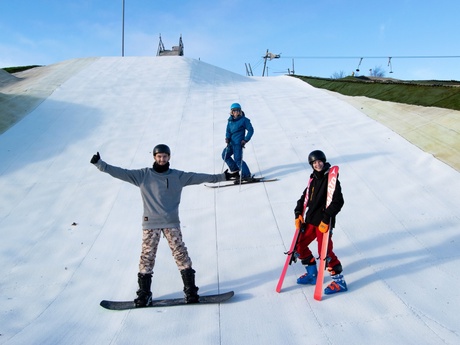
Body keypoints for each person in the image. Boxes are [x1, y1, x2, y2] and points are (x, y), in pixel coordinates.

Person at [90, 144, 238, 307]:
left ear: (169, 157)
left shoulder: (178, 176)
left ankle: (191, 291)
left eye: (165, 156)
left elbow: (198, 177)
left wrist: (222, 177)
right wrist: (100, 165)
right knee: (147, 256)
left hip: (171, 222)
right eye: (159, 156)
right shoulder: (142, 175)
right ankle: (144, 294)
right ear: (154, 157)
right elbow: (121, 173)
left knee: (180, 253)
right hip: (150, 223)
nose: (162, 159)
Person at [293, 150, 347, 294]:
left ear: (324, 161)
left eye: (319, 161)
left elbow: (338, 202)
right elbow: (303, 198)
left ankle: (339, 282)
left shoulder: (331, 180)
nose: (317, 164)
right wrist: (298, 213)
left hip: (324, 223)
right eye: (314, 163)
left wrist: (326, 218)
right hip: (310, 220)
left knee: (325, 252)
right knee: (299, 245)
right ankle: (312, 274)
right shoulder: (312, 180)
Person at [222, 102, 254, 182]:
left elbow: (251, 130)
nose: (236, 112)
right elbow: (228, 131)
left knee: (238, 159)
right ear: (232, 112)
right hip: (231, 143)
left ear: (240, 111)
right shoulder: (230, 121)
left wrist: (245, 139)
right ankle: (235, 171)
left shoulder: (244, 120)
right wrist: (227, 138)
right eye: (234, 111)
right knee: (225, 155)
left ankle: (246, 175)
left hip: (238, 144)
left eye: (238, 110)